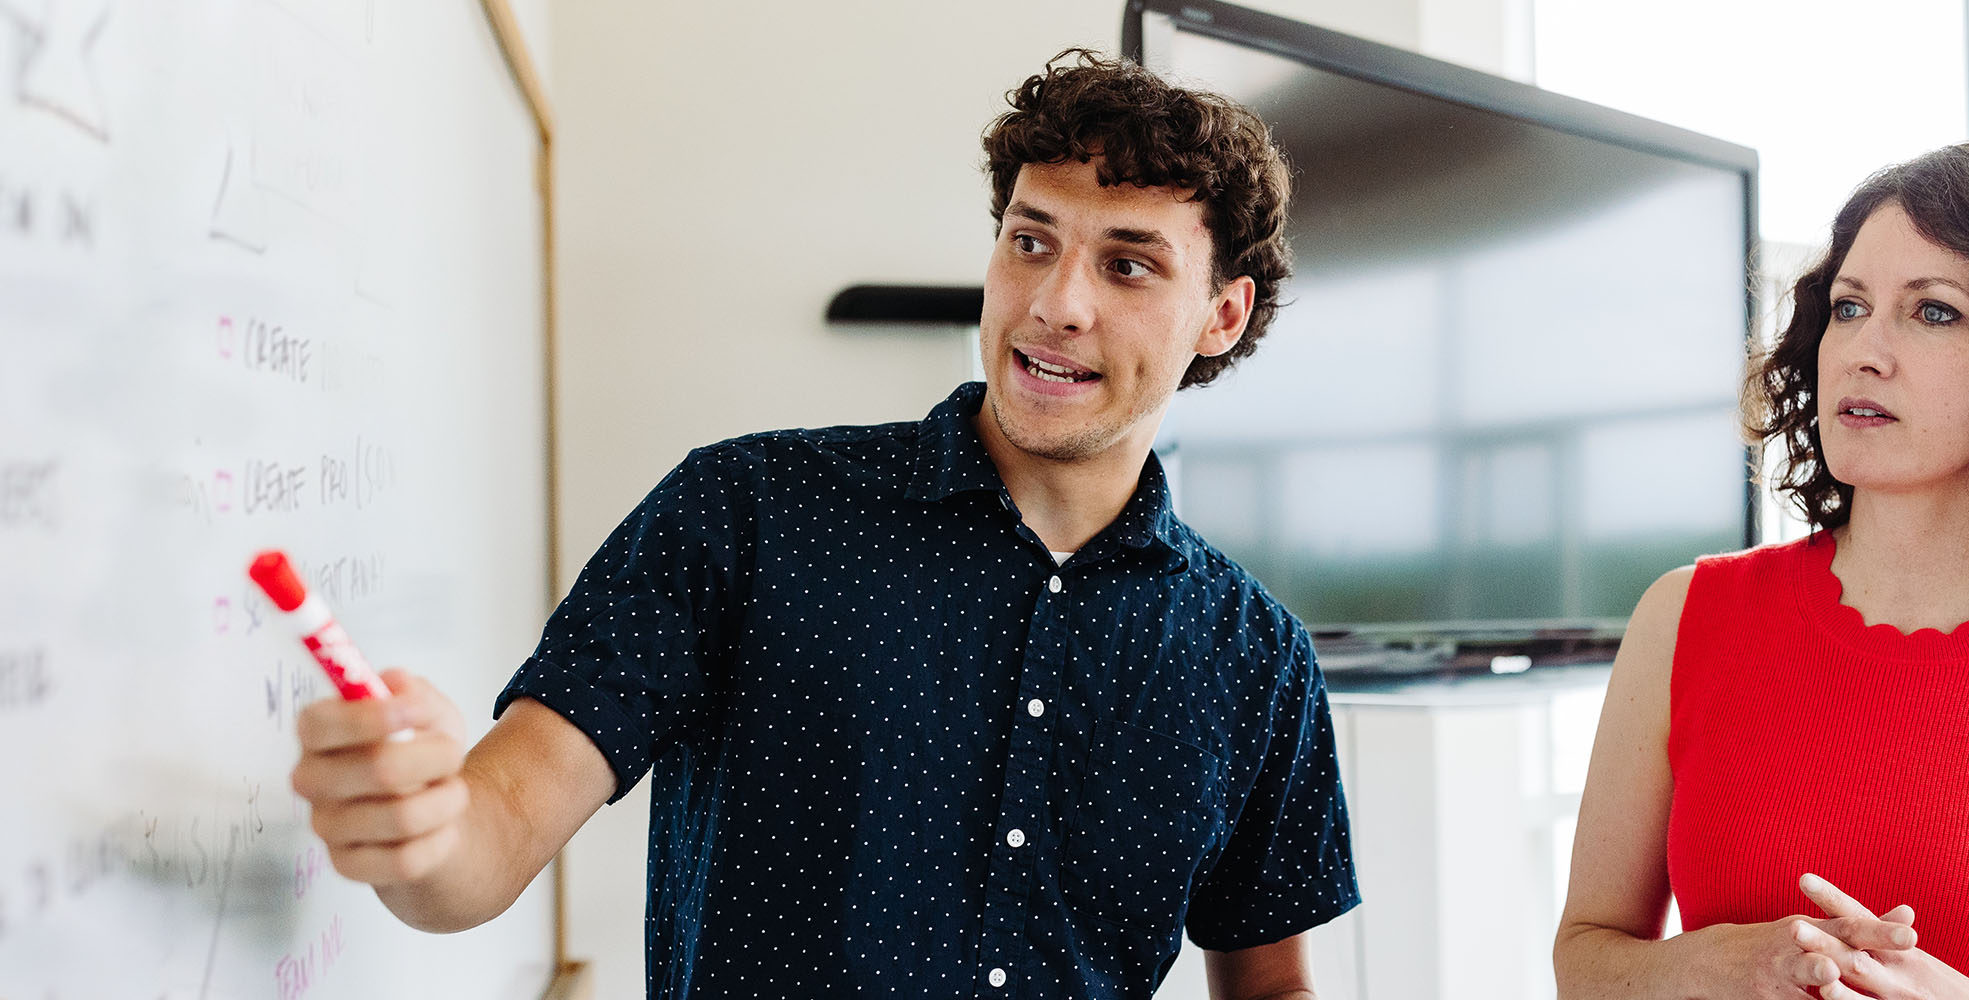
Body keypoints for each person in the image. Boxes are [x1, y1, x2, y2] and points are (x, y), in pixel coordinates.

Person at [288, 49, 1359, 999]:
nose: (1055, 303)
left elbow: (1268, 981)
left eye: (1127, 264)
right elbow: (497, 825)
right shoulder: (745, 511)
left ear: (1222, 314)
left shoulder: (1255, 656)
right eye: (1030, 242)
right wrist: (422, 832)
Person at [1554, 141, 1969, 1000]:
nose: (1863, 349)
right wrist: (1708, 965)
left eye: (1933, 312)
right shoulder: (1684, 617)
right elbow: (1585, 959)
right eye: (1849, 306)